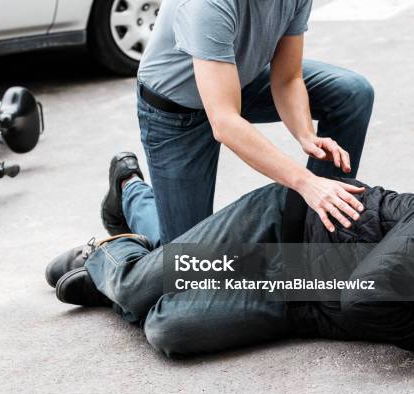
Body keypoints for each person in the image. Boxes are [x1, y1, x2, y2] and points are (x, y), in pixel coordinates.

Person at [47, 153, 414, 357]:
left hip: (301, 301)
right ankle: (112, 247)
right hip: (281, 231)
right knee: (133, 289)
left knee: (167, 329)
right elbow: (363, 296)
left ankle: (132, 268)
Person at [110, 0, 375, 245]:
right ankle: (130, 192)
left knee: (352, 92)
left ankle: (315, 232)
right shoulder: (206, 4)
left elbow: (288, 78)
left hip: (238, 80)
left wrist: (305, 134)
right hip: (176, 111)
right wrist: (306, 182)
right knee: (186, 265)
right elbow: (225, 122)